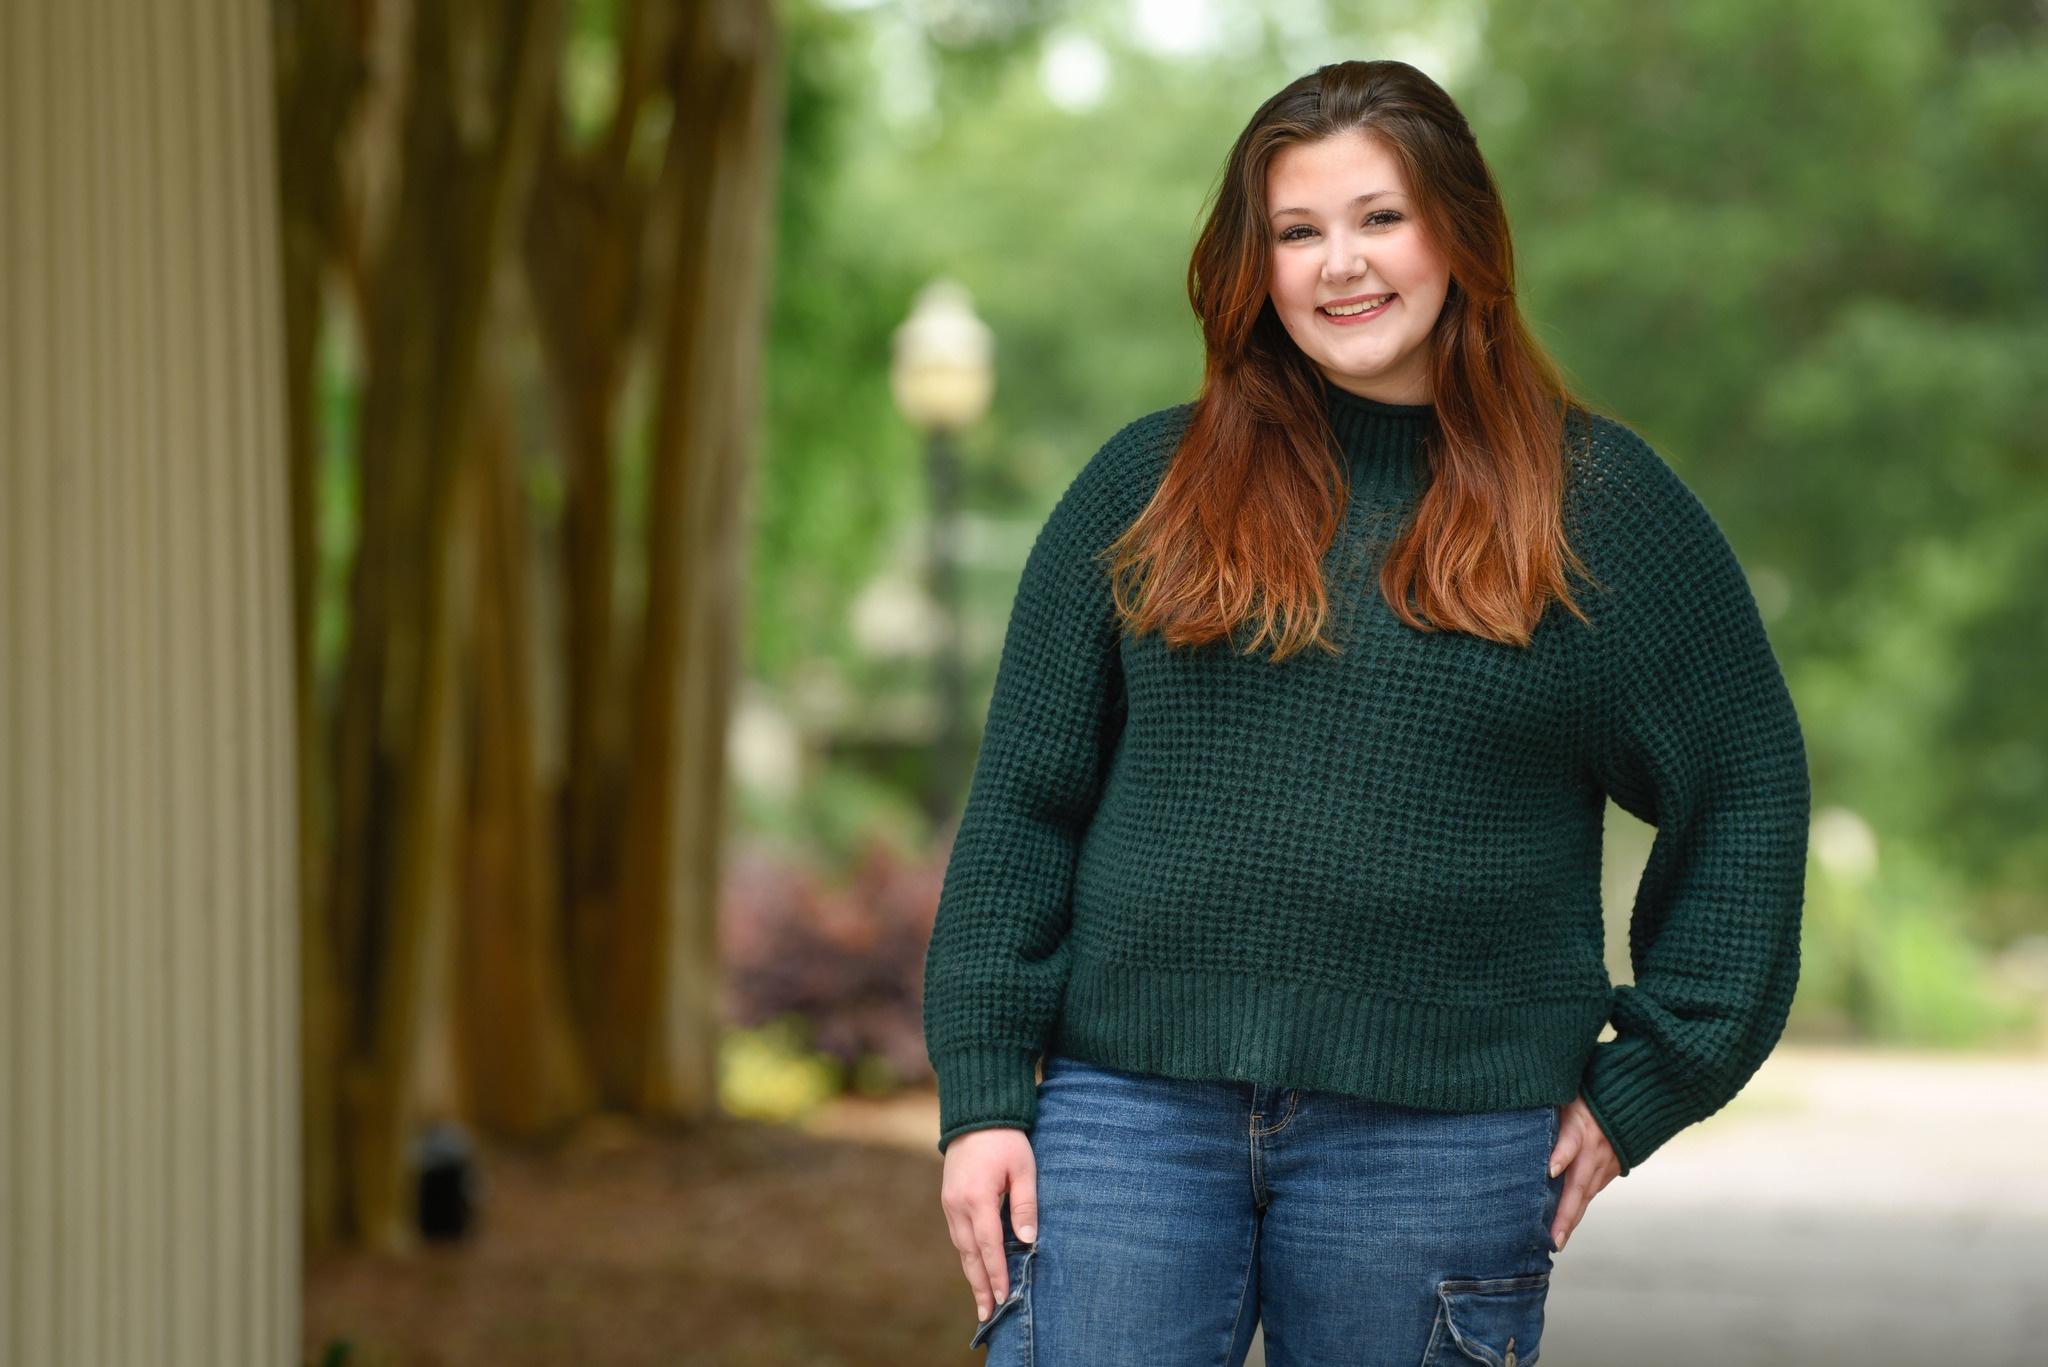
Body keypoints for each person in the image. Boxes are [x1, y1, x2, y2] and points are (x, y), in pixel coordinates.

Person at [920, 57, 1809, 1366]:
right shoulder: (1146, 488)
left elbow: (1745, 787)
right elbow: (1022, 810)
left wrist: (1654, 1078)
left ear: (1460, 233)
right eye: (1298, 231)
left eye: (1380, 217)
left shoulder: (1598, 509)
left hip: (1441, 1142)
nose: (1341, 264)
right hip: (1124, 1121)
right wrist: (986, 1095)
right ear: (1256, 265)